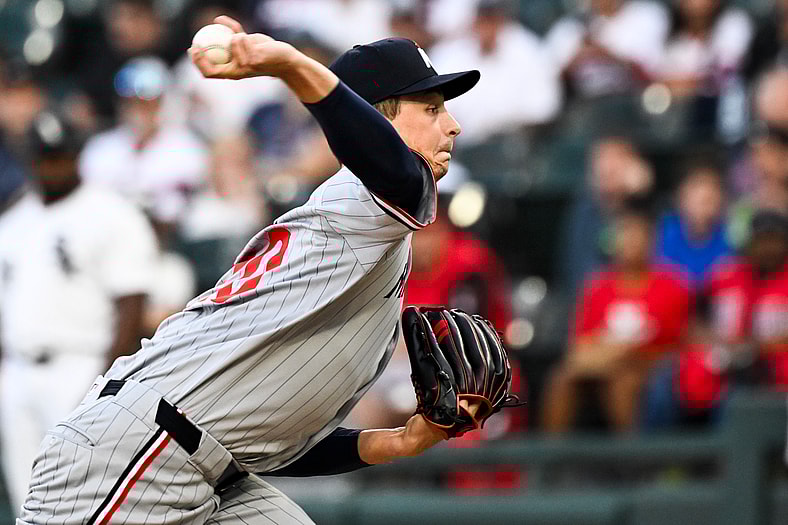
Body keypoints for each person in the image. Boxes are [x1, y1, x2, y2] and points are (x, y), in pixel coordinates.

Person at [18, 15, 488, 524]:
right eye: (432, 108)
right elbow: (395, 170)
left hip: (209, 462)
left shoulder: (379, 234)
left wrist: (397, 441)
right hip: (128, 451)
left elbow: (278, 439)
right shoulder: (364, 208)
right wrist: (290, 64)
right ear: (377, 120)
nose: (453, 124)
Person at [0, 112, 157, 514]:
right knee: (27, 501)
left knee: (84, 498)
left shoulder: (111, 213)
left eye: (60, 156)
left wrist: (101, 385)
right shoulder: (15, 218)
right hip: (17, 370)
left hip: (80, 367)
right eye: (44, 156)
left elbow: (131, 304)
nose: (52, 165)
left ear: (76, 155)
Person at [543, 203, 693, 433]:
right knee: (562, 378)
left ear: (652, 241)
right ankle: (550, 457)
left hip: (648, 367)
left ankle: (630, 461)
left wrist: (622, 352)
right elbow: (582, 340)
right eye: (625, 235)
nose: (631, 243)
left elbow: (672, 341)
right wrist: (608, 353)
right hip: (601, 362)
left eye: (638, 236)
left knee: (621, 383)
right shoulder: (599, 286)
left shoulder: (671, 284)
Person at [656, 156, 732, 285]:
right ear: (680, 196)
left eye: (714, 186)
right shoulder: (660, 235)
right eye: (697, 185)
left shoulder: (733, 237)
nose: (707, 193)